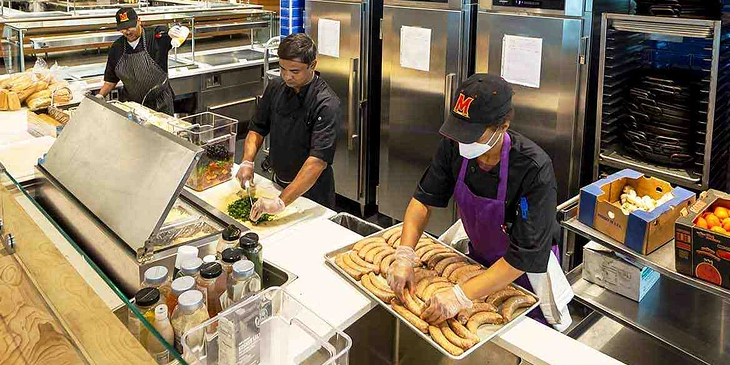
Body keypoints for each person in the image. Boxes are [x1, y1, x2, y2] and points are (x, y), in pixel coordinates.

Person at [386, 74, 573, 330]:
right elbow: (423, 200)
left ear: (503, 126)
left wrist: (459, 296)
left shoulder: (534, 169)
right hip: (477, 263)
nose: (463, 141)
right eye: (459, 131)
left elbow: (525, 255)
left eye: (472, 133)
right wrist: (405, 254)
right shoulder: (454, 147)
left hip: (525, 277)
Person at [235, 33, 341, 217]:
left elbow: (317, 162)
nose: (287, 76)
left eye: (295, 71)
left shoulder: (326, 103)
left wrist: (280, 202)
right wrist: (247, 160)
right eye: (282, 69)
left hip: (313, 192)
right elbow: (257, 128)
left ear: (313, 65)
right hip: (278, 182)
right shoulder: (276, 87)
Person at [97, 7, 189, 114]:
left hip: (160, 105)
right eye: (123, 28)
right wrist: (100, 96)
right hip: (132, 106)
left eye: (130, 26)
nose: (127, 31)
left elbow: (176, 33)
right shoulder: (117, 48)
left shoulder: (155, 37)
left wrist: (176, 32)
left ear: (138, 21)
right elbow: (111, 80)